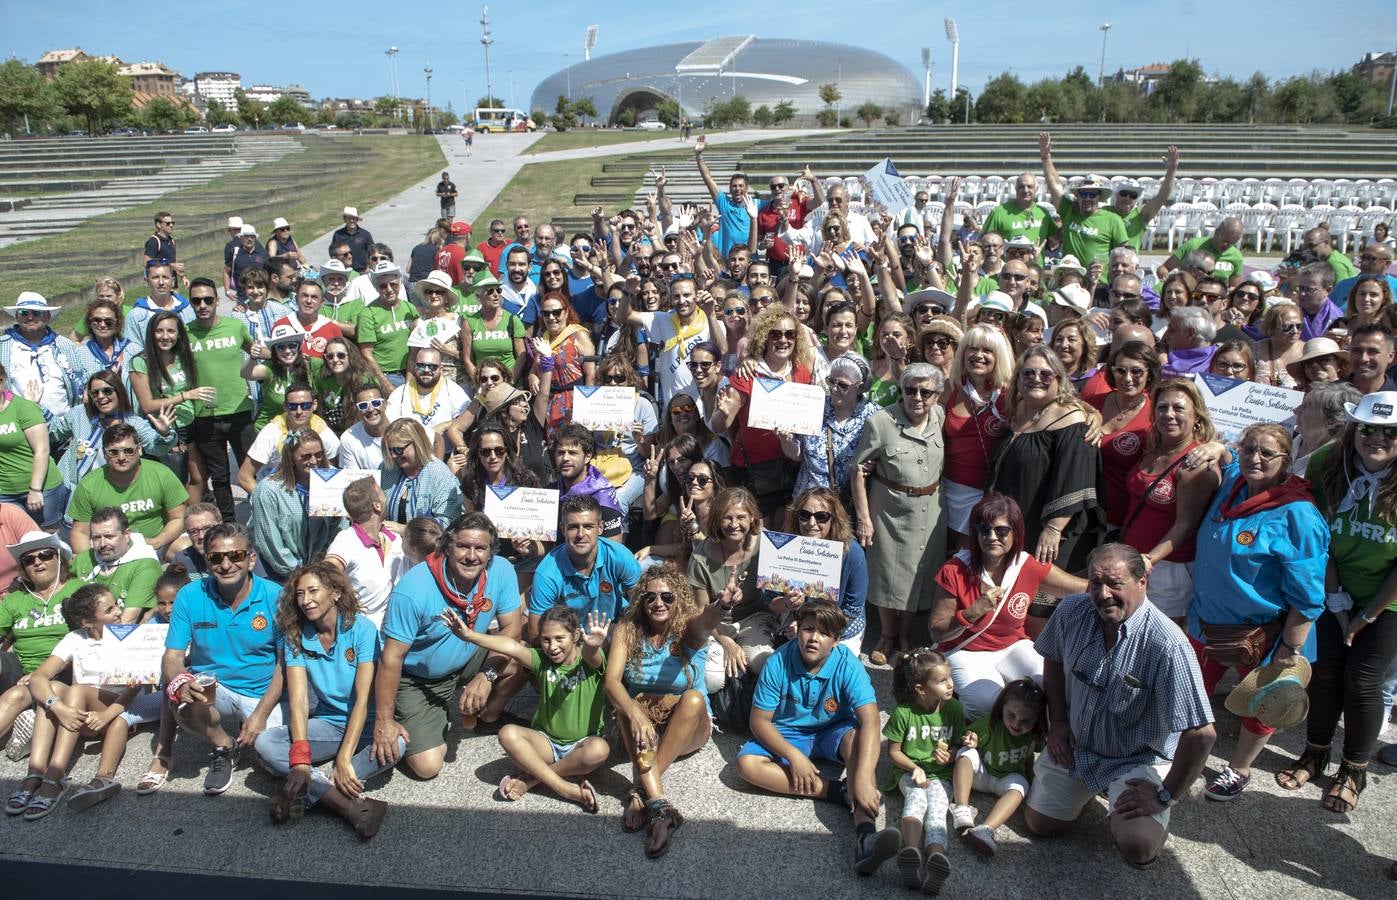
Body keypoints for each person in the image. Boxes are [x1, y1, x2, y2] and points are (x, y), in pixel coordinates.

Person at [1025, 543, 1216, 867]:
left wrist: (1167, 794)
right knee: (1038, 825)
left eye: (1115, 583)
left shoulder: (1167, 644)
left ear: (1142, 582)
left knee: (1138, 846)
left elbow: (1202, 734)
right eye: (1095, 583)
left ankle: (1127, 796)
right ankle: (1090, 789)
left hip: (1136, 756)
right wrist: (1057, 722)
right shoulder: (1072, 610)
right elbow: (1053, 659)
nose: (1102, 594)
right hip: (1078, 745)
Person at [1190, 423, 1327, 801]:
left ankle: (1239, 769)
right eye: (1250, 448)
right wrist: (1218, 447)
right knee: (1189, 690)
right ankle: (1186, 752)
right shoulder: (1234, 482)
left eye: (1267, 453)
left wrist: (1290, 649)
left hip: (1265, 636)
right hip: (1207, 623)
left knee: (1262, 706)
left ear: (1287, 461)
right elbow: (1228, 457)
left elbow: (1309, 594)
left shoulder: (1297, 514)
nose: (1255, 458)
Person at [1278, 392, 1397, 813]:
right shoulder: (1328, 464)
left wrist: (1364, 615)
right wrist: (1337, 599)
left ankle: (1354, 769)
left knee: (1364, 681)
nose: (1376, 438)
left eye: (1390, 431)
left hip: (1388, 601)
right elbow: (1319, 537)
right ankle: (1314, 751)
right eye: (1367, 428)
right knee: (1325, 672)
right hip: (1334, 585)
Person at [735, 600, 900, 877]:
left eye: (824, 633)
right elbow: (759, 722)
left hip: (833, 729)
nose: (814, 638)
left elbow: (871, 720)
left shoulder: (847, 663)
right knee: (745, 765)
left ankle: (866, 836)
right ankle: (836, 791)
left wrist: (861, 777)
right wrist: (794, 756)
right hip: (787, 732)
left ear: (835, 640)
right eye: (808, 629)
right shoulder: (778, 662)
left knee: (858, 744)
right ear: (797, 630)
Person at [373, 512, 522, 779]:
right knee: (428, 766)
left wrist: (485, 676)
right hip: (418, 678)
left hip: (468, 656)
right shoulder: (413, 590)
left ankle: (487, 714)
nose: (472, 556)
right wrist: (383, 722)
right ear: (447, 546)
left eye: (481, 548)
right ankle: (426, 713)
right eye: (463, 546)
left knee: (522, 656)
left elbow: (512, 628)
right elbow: (391, 659)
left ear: (491, 552)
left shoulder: (501, 570)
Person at [254, 562, 394, 839]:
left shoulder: (362, 630)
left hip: (365, 723)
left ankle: (305, 793)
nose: (305, 600)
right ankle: (346, 806)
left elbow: (363, 700)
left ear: (336, 594)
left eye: (313, 591)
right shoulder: (295, 634)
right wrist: (301, 760)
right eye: (300, 594)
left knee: (397, 744)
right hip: (328, 722)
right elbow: (299, 700)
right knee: (266, 744)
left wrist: (343, 758)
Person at [605, 563, 728, 858]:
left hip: (687, 727)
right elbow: (611, 682)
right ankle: (661, 807)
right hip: (642, 726)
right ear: (641, 601)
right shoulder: (627, 628)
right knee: (625, 703)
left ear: (679, 600)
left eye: (667, 597)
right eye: (650, 597)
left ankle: (640, 790)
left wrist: (721, 605)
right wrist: (635, 714)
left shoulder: (687, 627)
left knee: (694, 699)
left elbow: (706, 621)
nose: (658, 603)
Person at [929, 492, 1087, 716]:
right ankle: (977, 742)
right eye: (984, 529)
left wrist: (1118, 578)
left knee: (1050, 687)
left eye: (1001, 530)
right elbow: (937, 632)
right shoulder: (954, 570)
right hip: (966, 650)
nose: (992, 537)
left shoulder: (1026, 565)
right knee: (986, 704)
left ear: (1016, 532)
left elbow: (1081, 588)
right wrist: (971, 613)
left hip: (1012, 646)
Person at [442, 605, 609, 812]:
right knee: (507, 733)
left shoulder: (588, 660)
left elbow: (595, 657)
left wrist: (593, 646)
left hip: (582, 744)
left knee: (599, 750)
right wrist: (470, 635)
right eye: (546, 639)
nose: (552, 646)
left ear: (575, 635)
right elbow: (510, 647)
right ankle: (565, 788)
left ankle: (532, 780)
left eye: (559, 638)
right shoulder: (542, 660)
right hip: (546, 743)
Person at [162, 522, 286, 795]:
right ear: (207, 562)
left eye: (236, 556)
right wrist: (181, 681)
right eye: (216, 558)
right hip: (215, 687)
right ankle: (224, 746)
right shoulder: (189, 596)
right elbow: (172, 656)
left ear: (251, 559)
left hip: (261, 689)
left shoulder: (276, 596)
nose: (226, 564)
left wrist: (261, 714)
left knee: (275, 766)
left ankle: (250, 724)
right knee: (182, 706)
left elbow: (284, 663)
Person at [851, 364, 948, 665]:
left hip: (930, 509)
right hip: (889, 508)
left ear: (936, 395)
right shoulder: (881, 421)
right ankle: (887, 634)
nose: (917, 397)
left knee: (917, 570)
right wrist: (864, 517)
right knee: (885, 569)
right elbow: (857, 469)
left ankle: (905, 633)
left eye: (926, 391)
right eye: (910, 390)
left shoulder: (940, 417)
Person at [17, 584, 140, 818]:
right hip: (78, 713)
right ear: (87, 622)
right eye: (109, 609)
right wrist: (58, 707)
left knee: (77, 690)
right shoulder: (76, 638)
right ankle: (35, 771)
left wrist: (101, 713)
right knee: (52, 687)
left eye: (116, 604)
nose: (118, 611)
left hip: (115, 707)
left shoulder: (129, 635)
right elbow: (39, 678)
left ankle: (55, 776)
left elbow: (137, 686)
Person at [988, 346, 1103, 580]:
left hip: (1049, 532)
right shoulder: (1017, 411)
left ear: (1059, 379)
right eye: (1028, 373)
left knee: (1040, 605)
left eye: (1045, 374)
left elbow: (1076, 478)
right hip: (1011, 524)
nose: (1036, 379)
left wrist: (1053, 528)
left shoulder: (1073, 420)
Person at [1120, 380, 1222, 623]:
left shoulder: (1197, 465)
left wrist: (1147, 561)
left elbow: (1185, 526)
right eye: (1162, 407)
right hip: (1133, 560)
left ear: (1197, 416)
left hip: (1168, 571)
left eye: (1179, 408)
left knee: (1159, 641)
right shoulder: (1153, 448)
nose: (1169, 415)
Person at [712, 306, 816, 519]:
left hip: (792, 468)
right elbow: (719, 426)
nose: (783, 340)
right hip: (756, 471)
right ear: (764, 338)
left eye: (790, 334)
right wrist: (722, 412)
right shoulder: (747, 374)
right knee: (759, 534)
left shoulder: (801, 373)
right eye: (775, 334)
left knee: (785, 528)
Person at [881, 648, 963, 892]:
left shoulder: (954, 709)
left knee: (938, 810)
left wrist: (951, 755)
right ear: (920, 688)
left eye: (950, 678)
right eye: (942, 681)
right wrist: (914, 767)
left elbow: (958, 745)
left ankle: (936, 858)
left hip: (941, 774)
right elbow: (893, 752)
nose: (950, 685)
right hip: (909, 771)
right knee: (916, 799)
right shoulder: (904, 712)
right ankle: (912, 850)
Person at [0, 531, 82, 763]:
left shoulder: (77, 590)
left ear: (59, 558)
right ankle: (23, 723)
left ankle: (26, 724)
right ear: (23, 568)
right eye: (28, 559)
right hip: (21, 672)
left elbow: (92, 635)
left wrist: (42, 673)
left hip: (65, 672)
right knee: (16, 687)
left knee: (18, 694)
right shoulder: (16, 599)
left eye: (45, 555)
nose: (37, 562)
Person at [950, 679, 1048, 858]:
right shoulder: (991, 723)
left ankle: (986, 829)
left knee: (1021, 787)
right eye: (1011, 715)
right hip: (983, 772)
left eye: (1026, 720)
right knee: (966, 754)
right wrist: (970, 739)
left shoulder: (1035, 735)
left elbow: (1029, 757)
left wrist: (1031, 779)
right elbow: (968, 735)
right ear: (1002, 707)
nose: (1017, 724)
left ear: (1038, 718)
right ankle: (962, 808)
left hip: (1008, 778)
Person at [185, 277, 256, 524]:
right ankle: (228, 523)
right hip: (205, 415)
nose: (202, 305)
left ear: (217, 301)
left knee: (251, 470)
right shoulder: (184, 333)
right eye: (196, 300)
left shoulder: (234, 327)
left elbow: (255, 350)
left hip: (239, 410)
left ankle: (261, 512)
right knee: (220, 476)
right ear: (191, 303)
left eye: (207, 299)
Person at [777, 353, 878, 499]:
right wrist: (785, 439)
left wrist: (875, 465)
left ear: (860, 387)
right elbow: (797, 455)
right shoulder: (814, 406)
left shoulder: (874, 415)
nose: (834, 389)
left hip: (850, 504)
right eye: (831, 381)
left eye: (843, 385)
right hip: (810, 504)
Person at [250, 429, 341, 582]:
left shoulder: (330, 482)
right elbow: (270, 543)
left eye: (318, 455)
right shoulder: (268, 491)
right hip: (280, 573)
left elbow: (337, 526)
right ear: (291, 458)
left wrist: (326, 562)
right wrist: (300, 573)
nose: (313, 461)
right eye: (305, 456)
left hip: (321, 569)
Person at [130, 311, 209, 484]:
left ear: (179, 333)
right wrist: (185, 396)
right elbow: (147, 405)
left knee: (198, 478)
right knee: (174, 482)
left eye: (171, 331)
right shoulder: (140, 362)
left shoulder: (184, 356)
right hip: (164, 428)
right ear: (151, 333)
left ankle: (191, 512)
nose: (165, 336)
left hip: (190, 424)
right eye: (159, 331)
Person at [1086, 341, 1159, 528]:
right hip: (1079, 510)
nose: (1127, 378)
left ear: (1149, 374)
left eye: (1136, 372)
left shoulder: (1154, 417)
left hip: (1116, 519)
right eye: (1121, 371)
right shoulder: (1089, 403)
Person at [325, 477, 405, 629]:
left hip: (393, 632)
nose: (385, 498)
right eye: (382, 494)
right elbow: (326, 574)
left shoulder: (393, 537)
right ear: (377, 506)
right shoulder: (346, 540)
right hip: (359, 634)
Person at [0, 361, 69, 529]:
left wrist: (35, 489)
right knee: (15, 545)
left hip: (42, 489)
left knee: (47, 544)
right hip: (5, 493)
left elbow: (42, 450)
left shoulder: (23, 408)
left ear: (2, 381)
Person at [1038, 135, 1125, 265]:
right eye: (1083, 193)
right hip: (1070, 278)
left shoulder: (1113, 220)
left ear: (1099, 197)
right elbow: (1054, 185)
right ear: (1077, 196)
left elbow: (1123, 254)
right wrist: (1046, 157)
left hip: (1100, 282)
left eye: (1092, 194)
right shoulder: (1068, 210)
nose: (1087, 198)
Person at [1, 292, 86, 421]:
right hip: (18, 426)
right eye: (24, 313)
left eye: (36, 313)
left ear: (47, 317)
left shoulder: (65, 346)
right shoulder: (3, 346)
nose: (30, 317)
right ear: (17, 317)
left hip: (64, 427)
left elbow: (81, 384)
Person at [69, 506, 161, 622]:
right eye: (96, 538)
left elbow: (128, 621)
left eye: (109, 537)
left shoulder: (145, 564)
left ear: (127, 534)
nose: (102, 544)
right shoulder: (84, 558)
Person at [381, 418, 462, 528]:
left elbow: (448, 522)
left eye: (398, 450)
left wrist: (405, 530)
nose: (393, 456)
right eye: (389, 450)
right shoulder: (387, 469)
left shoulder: (440, 474)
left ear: (417, 443)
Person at [385, 347, 469, 444]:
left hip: (445, 452)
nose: (426, 370)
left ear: (440, 369)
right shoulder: (400, 394)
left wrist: (446, 425)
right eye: (421, 365)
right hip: (411, 451)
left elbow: (467, 420)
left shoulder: (453, 390)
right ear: (414, 367)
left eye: (432, 366)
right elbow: (391, 426)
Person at [357, 261, 417, 393]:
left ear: (400, 283)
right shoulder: (368, 313)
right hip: (386, 375)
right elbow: (367, 354)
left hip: (411, 373)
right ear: (376, 287)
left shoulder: (409, 308)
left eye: (393, 284)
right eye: (383, 286)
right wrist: (385, 383)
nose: (389, 289)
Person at [1250, 301, 1306, 388]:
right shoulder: (1255, 349)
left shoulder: (1307, 351)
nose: (1295, 331)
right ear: (1272, 327)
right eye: (1288, 327)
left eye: (1299, 326)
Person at [338, 383, 388, 471]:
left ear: (385, 404)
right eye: (363, 405)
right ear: (357, 410)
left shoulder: (403, 427)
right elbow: (353, 478)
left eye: (376, 403)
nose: (370, 409)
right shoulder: (348, 439)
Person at [332, 207, 376, 273]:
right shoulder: (338, 234)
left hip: (363, 271)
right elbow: (333, 252)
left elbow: (372, 252)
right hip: (345, 271)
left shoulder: (365, 234)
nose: (351, 221)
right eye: (349, 218)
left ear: (357, 220)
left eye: (354, 218)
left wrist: (369, 267)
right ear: (344, 219)